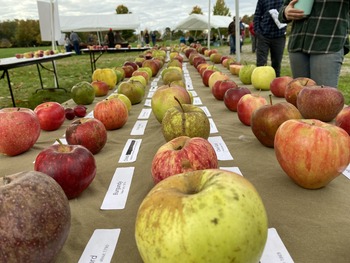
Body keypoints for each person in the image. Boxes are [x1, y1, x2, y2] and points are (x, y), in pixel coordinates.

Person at [279, 0, 349, 87]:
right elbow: (283, 9)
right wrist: (285, 12)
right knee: (299, 97)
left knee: (322, 97)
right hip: (298, 43)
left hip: (328, 43)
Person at [254, 0, 286, 77]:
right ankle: (260, 81)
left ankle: (276, 83)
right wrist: (258, 32)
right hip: (264, 35)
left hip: (279, 35)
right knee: (261, 63)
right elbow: (257, 16)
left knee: (277, 63)